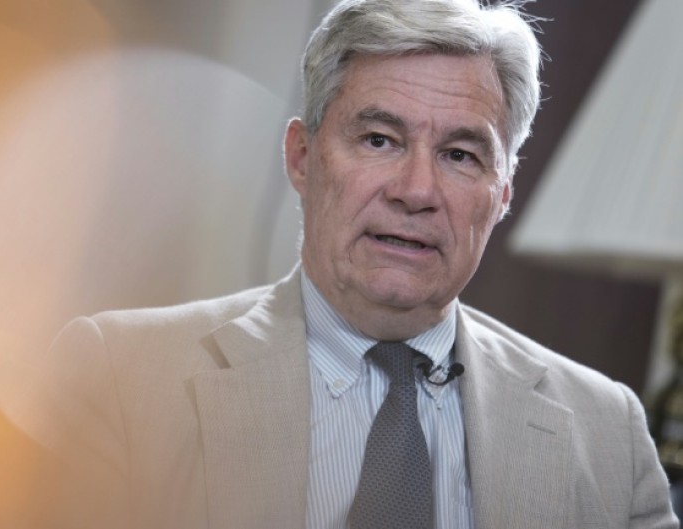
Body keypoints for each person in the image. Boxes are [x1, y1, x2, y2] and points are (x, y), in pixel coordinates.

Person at [46, 0, 679, 528]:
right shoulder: (120, 380)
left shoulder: (607, 431)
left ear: (503, 193)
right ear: (301, 156)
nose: (416, 190)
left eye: (461, 154)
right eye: (379, 140)